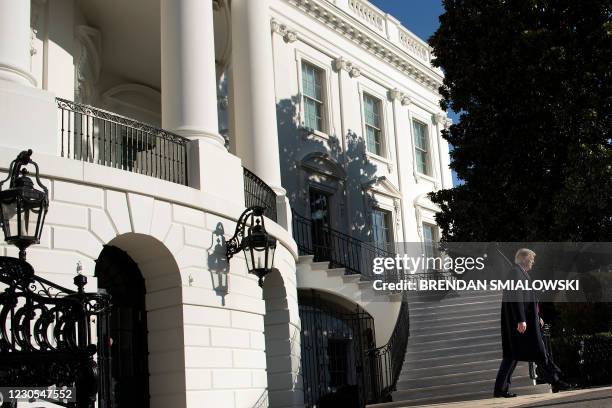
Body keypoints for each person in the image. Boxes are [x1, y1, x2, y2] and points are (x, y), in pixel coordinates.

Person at [493, 248, 570, 398]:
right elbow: (517, 298)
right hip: (523, 323)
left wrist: (537, 315)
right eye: (531, 259)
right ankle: (556, 380)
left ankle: (500, 389)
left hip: (527, 320)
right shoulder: (516, 273)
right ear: (524, 259)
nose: (533, 263)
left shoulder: (520, 273)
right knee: (539, 352)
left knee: (512, 356)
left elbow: (528, 298)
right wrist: (521, 320)